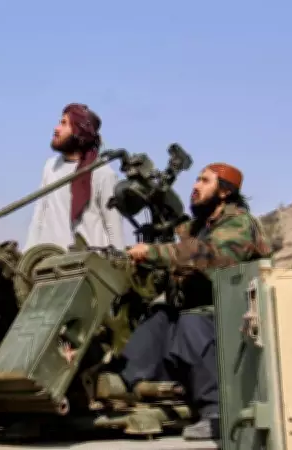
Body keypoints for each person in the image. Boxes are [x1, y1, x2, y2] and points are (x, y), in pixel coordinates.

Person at [96, 162, 273, 440]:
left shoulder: (239, 223)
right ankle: (126, 384)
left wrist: (153, 253)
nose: (195, 186)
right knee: (158, 317)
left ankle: (216, 412)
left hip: (235, 314)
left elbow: (210, 257)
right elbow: (175, 249)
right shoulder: (195, 227)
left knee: (192, 323)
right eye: (196, 180)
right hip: (199, 312)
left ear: (224, 192)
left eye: (205, 181)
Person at [24, 103, 125, 252]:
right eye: (59, 122)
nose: (56, 129)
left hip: (88, 262)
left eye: (64, 124)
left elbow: (113, 226)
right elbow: (39, 216)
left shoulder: (102, 172)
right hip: (50, 259)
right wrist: (27, 254)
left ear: (80, 133)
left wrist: (119, 260)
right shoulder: (50, 166)